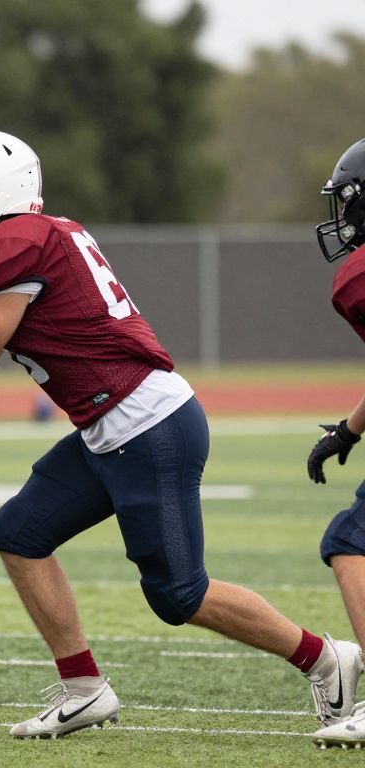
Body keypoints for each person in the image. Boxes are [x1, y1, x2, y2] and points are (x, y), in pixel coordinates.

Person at [0, 129, 363, 739]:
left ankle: (326, 659)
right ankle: (84, 689)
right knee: (19, 533)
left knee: (178, 595)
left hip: (146, 427)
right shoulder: (40, 235)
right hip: (113, 425)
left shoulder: (10, 248)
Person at [301, 138, 365, 750]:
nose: (344, 218)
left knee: (351, 542)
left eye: (350, 202)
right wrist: (349, 430)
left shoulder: (360, 276)